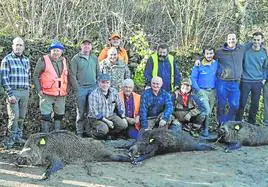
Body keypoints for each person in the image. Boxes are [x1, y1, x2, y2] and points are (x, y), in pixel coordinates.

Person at [1, 37, 30, 148]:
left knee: (22, 116)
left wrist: (28, 89)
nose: (18, 47)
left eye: (20, 45)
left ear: (23, 47)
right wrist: (9, 94)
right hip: (13, 92)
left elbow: (28, 76)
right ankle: (11, 139)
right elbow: (4, 78)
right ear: (12, 46)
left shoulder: (26, 60)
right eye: (16, 45)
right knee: (14, 117)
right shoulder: (7, 59)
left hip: (24, 92)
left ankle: (18, 137)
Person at [33, 41, 68, 133]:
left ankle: (57, 135)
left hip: (61, 94)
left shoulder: (64, 61)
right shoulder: (43, 60)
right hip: (46, 93)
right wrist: (39, 90)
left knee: (59, 115)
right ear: (50, 51)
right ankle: (45, 135)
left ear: (61, 52)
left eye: (58, 50)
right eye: (54, 50)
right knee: (46, 116)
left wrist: (67, 89)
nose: (56, 52)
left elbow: (67, 76)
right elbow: (35, 75)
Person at [69, 38, 100, 137]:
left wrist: (97, 86)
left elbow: (98, 73)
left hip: (93, 88)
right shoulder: (75, 59)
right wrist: (77, 88)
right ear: (81, 46)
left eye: (88, 44)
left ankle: (88, 132)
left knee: (91, 112)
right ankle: (79, 133)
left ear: (91, 47)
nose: (86, 46)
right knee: (81, 112)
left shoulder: (94, 58)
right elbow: (72, 75)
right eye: (84, 44)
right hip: (81, 89)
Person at [235, 32, 267, 124]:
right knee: (242, 103)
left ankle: (251, 123)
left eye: (258, 40)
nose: (256, 42)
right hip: (245, 81)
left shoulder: (264, 53)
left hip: (257, 82)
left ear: (262, 40)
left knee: (255, 104)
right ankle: (237, 123)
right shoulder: (246, 51)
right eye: (254, 40)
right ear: (252, 40)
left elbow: (265, 67)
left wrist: (264, 78)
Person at [216, 33, 245, 124]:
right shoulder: (219, 51)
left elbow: (253, 45)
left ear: (236, 40)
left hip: (235, 83)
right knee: (221, 105)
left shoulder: (241, 49)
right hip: (222, 82)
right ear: (226, 40)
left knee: (235, 105)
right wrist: (198, 59)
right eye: (229, 39)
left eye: (233, 39)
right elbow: (206, 55)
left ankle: (227, 123)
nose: (231, 41)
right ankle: (221, 124)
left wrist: (263, 48)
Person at [88, 74, 128, 139]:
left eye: (107, 83)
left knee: (124, 125)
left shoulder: (114, 92)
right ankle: (92, 133)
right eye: (103, 82)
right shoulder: (94, 94)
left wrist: (123, 117)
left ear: (110, 83)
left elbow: (120, 105)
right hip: (96, 118)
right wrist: (107, 121)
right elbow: (94, 112)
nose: (105, 85)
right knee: (104, 129)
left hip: (110, 115)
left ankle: (108, 135)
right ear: (98, 83)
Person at [190, 46, 218, 136]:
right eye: (207, 53)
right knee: (207, 109)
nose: (209, 55)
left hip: (213, 91)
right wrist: (198, 90)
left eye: (211, 53)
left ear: (214, 54)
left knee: (209, 112)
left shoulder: (216, 64)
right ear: (204, 54)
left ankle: (205, 129)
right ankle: (196, 127)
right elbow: (193, 78)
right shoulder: (198, 65)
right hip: (202, 91)